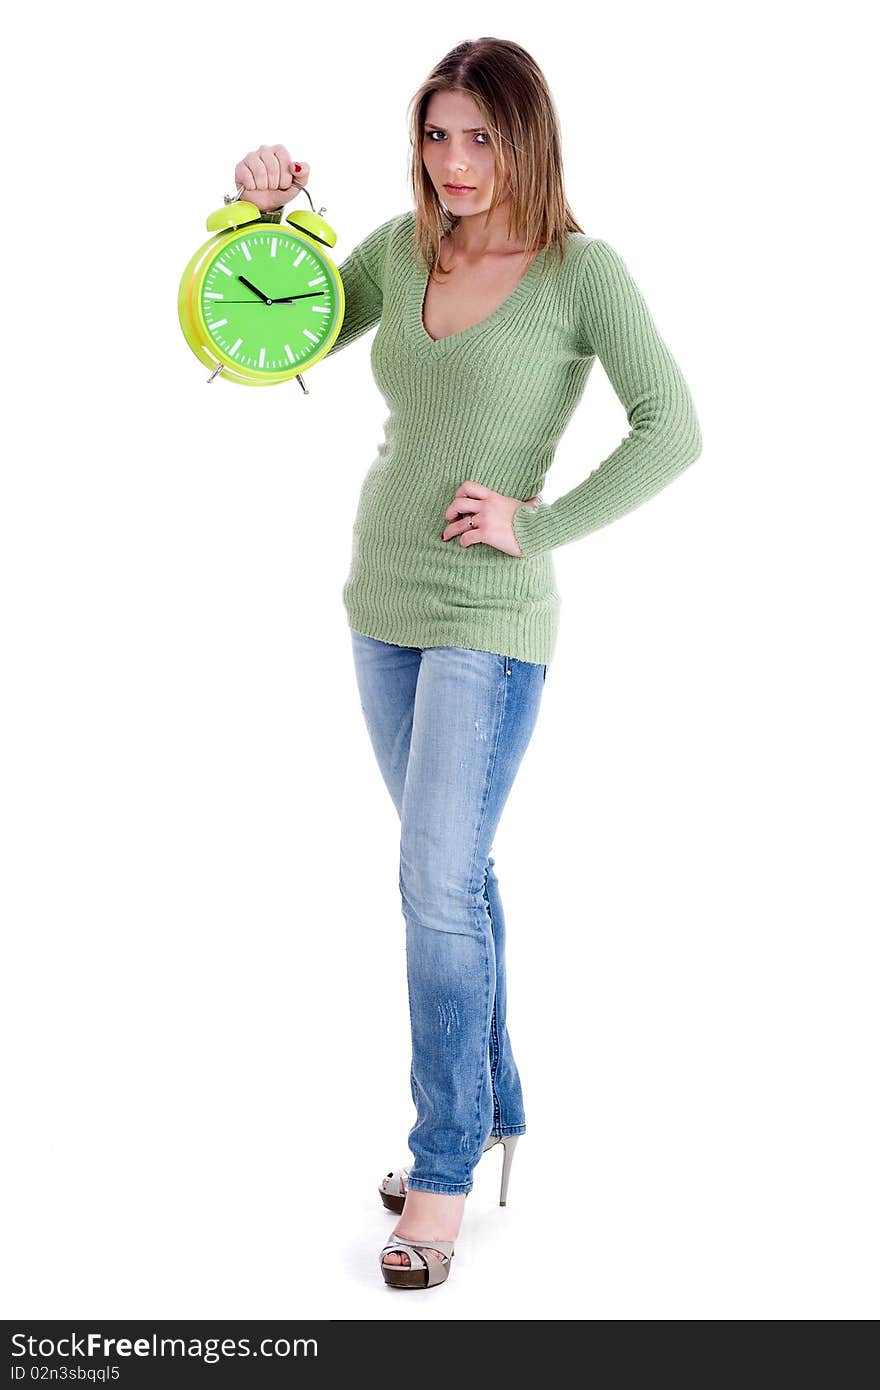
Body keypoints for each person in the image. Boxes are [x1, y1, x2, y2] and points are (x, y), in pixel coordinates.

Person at [232, 36, 702, 1291]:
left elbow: (676, 428)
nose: (450, 162)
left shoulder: (579, 273)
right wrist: (259, 215)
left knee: (434, 880)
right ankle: (491, 1112)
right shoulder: (400, 249)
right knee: (455, 875)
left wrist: (533, 521)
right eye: (435, 134)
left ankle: (438, 1172)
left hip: (491, 615)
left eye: (477, 137)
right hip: (379, 599)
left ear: (525, 140)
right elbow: (278, 328)